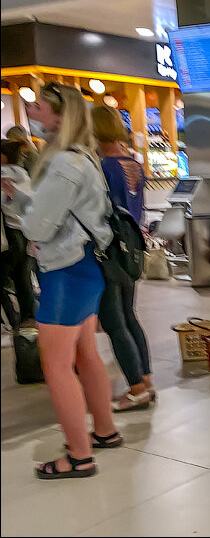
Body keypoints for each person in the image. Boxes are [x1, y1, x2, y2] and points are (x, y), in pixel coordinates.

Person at [1, 82, 121, 479]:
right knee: (85, 353)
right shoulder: (82, 157)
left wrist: (19, 207)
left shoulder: (63, 164)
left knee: (56, 365)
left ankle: (80, 456)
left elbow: (38, 225)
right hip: (86, 267)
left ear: (59, 114)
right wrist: (18, 197)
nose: (32, 111)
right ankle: (103, 431)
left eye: (39, 106)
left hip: (66, 272)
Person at [92, 105, 156, 412]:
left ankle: (135, 389)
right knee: (129, 315)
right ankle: (146, 380)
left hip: (110, 248)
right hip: (132, 244)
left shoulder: (104, 166)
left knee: (114, 321)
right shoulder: (134, 163)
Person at [0, 140, 37, 332]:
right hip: (26, 231)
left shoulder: (5, 174)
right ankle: (28, 316)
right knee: (24, 277)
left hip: (12, 232)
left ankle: (21, 318)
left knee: (18, 277)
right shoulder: (23, 174)